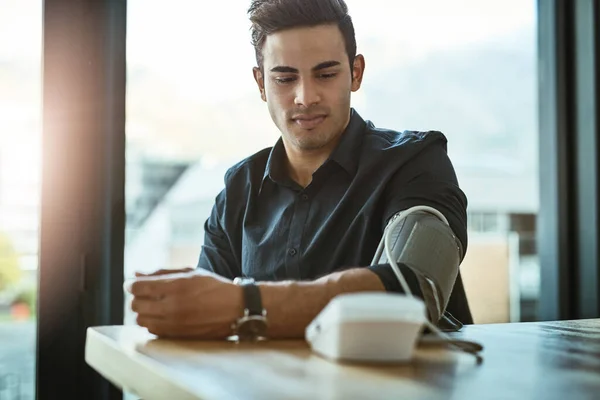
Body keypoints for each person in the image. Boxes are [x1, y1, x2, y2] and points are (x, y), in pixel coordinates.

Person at [127, 0, 473, 340]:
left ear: (356, 73)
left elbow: (416, 287)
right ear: (261, 84)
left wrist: (245, 305)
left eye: (325, 74)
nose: (305, 97)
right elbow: (204, 320)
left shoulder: (415, 162)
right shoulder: (238, 189)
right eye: (284, 79)